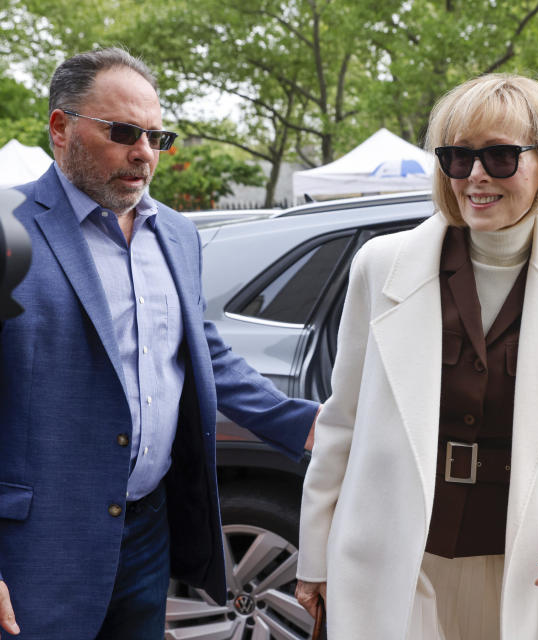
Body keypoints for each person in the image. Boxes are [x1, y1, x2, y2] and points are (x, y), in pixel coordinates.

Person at [294, 74, 538, 640]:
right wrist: (315, 555)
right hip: (397, 559)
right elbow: (341, 421)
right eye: (457, 156)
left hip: (528, 563)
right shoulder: (381, 266)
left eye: (499, 156)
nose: (474, 176)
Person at [0, 48, 319, 639]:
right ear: (60, 127)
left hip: (147, 530)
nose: (144, 153)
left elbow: (197, 350)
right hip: (34, 545)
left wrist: (304, 425)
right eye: (123, 132)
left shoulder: (175, 233)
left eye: (156, 136)